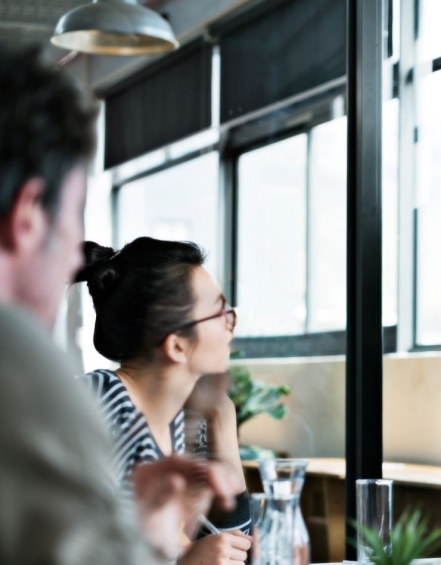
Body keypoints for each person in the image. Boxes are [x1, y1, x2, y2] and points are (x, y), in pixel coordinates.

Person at [0, 46, 240, 564]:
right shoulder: (51, 389)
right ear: (26, 219)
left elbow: (223, 533)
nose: (73, 255)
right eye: (70, 221)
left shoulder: (187, 418)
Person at [75, 237, 252, 564]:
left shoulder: (181, 420)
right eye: (219, 313)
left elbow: (234, 551)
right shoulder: (96, 408)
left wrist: (223, 423)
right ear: (177, 346)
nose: (232, 325)